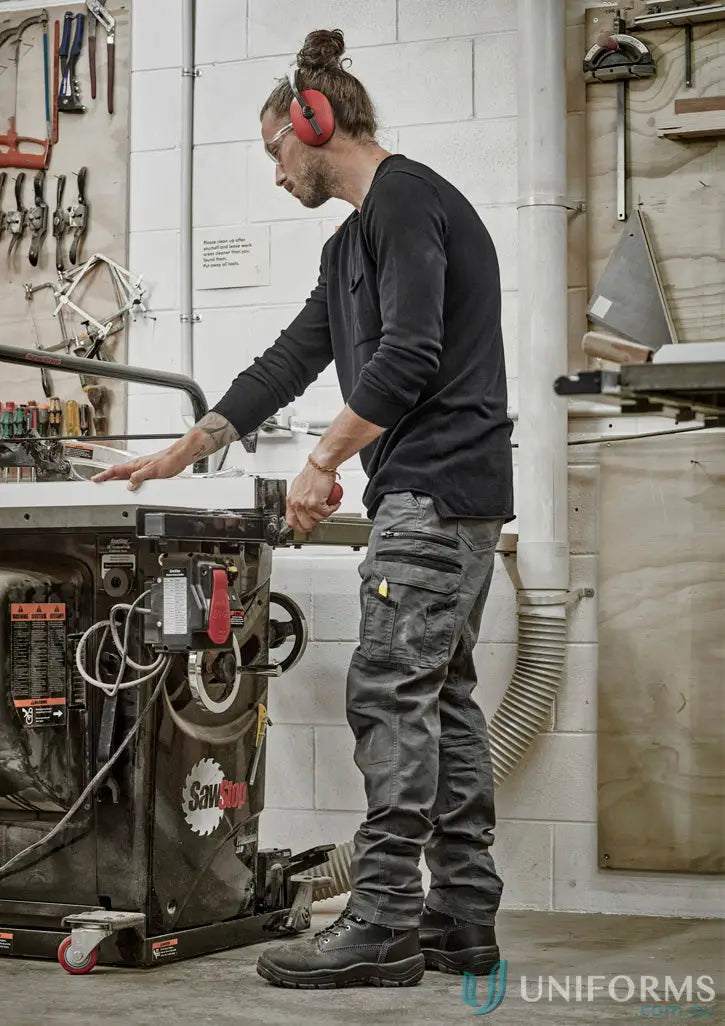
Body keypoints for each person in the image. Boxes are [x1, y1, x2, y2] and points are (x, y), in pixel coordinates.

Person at [94, 28, 514, 990]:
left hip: (435, 494)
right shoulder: (351, 242)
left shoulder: (407, 199)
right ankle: (459, 922)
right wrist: (185, 447)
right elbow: (290, 357)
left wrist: (321, 463)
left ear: (312, 122)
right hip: (446, 499)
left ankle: (382, 926)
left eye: (276, 153)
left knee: (387, 698)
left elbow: (406, 356)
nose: (276, 176)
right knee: (438, 703)